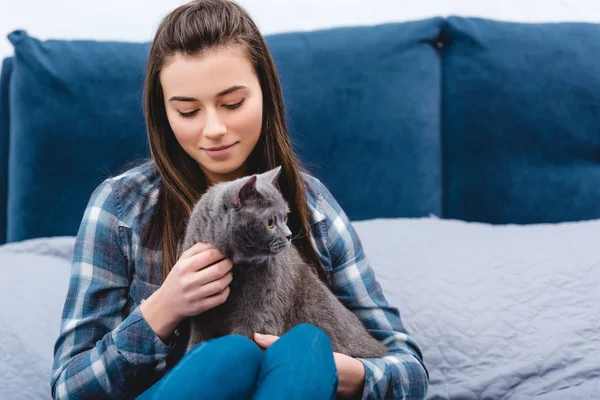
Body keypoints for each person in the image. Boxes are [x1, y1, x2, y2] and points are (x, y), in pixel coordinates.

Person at [50, 0, 429, 399]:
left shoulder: (311, 206)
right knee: (231, 355)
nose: (214, 129)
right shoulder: (123, 208)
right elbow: (68, 388)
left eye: (233, 104)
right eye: (188, 111)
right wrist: (163, 309)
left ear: (266, 93)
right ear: (163, 114)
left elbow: (408, 370)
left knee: (308, 347)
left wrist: (348, 374)